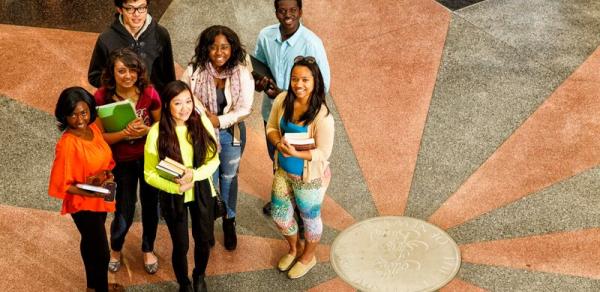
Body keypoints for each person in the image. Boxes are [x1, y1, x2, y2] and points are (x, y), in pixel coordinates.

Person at [254, 0, 331, 216]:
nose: (288, 15)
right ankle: (284, 196)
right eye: (282, 10)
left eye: (293, 10)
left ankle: (303, 204)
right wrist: (260, 82)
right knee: (277, 156)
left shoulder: (311, 43)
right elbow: (257, 66)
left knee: (300, 160)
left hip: (300, 119)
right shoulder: (265, 36)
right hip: (272, 113)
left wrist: (284, 95)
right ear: (276, 11)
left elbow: (323, 84)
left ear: (300, 12)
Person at [181, 25, 254, 251]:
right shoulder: (194, 71)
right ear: (205, 49)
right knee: (209, 181)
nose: (219, 52)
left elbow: (245, 108)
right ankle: (210, 221)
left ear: (232, 48)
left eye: (224, 47)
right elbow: (185, 100)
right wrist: (206, 119)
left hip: (231, 134)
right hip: (203, 134)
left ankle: (229, 220)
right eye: (213, 47)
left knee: (229, 179)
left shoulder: (241, 71)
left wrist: (219, 122)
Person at [144, 81, 219, 292]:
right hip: (173, 193)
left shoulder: (201, 122)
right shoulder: (156, 132)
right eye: (178, 103)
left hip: (201, 190)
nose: (185, 108)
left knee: (203, 240)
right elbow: (149, 174)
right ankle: (184, 283)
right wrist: (174, 188)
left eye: (188, 101)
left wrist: (194, 175)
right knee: (181, 245)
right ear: (167, 105)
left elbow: (214, 161)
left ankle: (199, 276)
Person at [48, 87, 123, 291]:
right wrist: (88, 192)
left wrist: (106, 175)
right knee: (102, 252)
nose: (79, 119)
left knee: (90, 243)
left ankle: (92, 287)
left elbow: (104, 158)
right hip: (83, 204)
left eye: (83, 112)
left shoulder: (94, 129)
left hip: (100, 195)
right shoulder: (67, 144)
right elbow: (62, 185)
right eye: (72, 114)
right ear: (64, 116)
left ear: (90, 110)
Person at [94, 48, 161, 274]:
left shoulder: (149, 93)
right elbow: (100, 136)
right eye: (121, 71)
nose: (127, 76)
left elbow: (162, 129)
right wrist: (124, 134)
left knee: (152, 206)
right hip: (121, 162)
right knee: (124, 208)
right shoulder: (101, 97)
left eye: (132, 70)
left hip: (148, 159)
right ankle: (116, 248)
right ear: (112, 73)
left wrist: (146, 131)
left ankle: (148, 248)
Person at [266, 56, 334, 279]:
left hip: (309, 178)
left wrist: (297, 153)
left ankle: (308, 257)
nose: (299, 84)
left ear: (315, 82)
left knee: (309, 218)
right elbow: (272, 128)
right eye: (295, 79)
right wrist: (278, 143)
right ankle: (294, 249)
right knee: (279, 214)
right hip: (284, 171)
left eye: (305, 79)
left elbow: (323, 153)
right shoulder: (283, 99)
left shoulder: (322, 116)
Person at [88, 0, 176, 94]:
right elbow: (94, 76)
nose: (137, 14)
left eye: (141, 7)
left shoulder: (161, 34)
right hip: (121, 102)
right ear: (120, 10)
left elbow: (169, 76)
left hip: (154, 102)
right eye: (130, 9)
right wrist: (118, 84)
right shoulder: (106, 38)